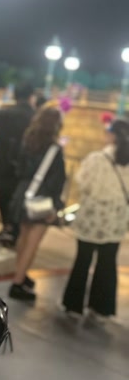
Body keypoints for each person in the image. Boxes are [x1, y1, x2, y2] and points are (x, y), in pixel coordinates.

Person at [61, 119, 129, 320]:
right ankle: (101, 307)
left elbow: (83, 182)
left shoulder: (97, 158)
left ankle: (74, 305)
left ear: (113, 136)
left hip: (92, 219)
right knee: (108, 261)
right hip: (116, 219)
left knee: (83, 259)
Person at [7, 106, 66, 302]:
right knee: (33, 242)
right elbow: (57, 180)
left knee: (23, 238)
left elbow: (18, 169)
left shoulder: (27, 141)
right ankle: (17, 283)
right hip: (42, 198)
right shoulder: (55, 150)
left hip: (23, 193)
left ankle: (20, 273)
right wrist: (55, 206)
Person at [0, 82, 36, 246]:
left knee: (5, 197)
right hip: (27, 167)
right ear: (31, 97)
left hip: (4, 164)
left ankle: (7, 228)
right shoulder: (35, 116)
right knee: (20, 199)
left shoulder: (5, 114)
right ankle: (16, 231)